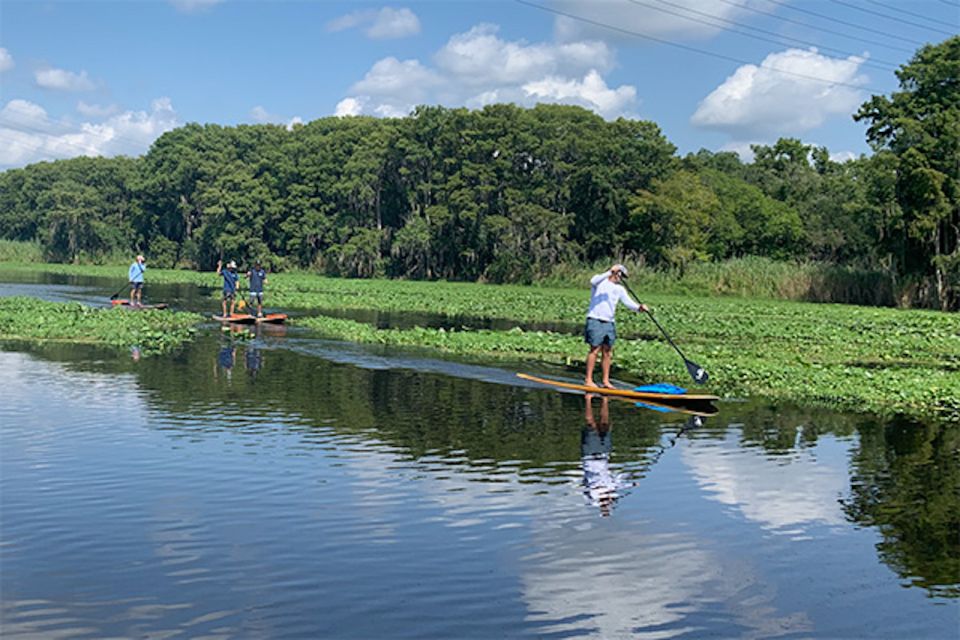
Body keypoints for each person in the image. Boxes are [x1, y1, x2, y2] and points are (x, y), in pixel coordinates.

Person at [584, 264, 649, 388]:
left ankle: (606, 381)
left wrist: (639, 308)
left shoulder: (620, 289)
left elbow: (628, 302)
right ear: (616, 273)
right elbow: (593, 280)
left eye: (623, 276)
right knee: (594, 349)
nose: (622, 278)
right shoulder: (600, 282)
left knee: (608, 351)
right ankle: (588, 380)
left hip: (609, 322)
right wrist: (610, 271)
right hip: (595, 319)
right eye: (621, 275)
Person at [581, 394, 630, 517]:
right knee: (605, 425)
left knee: (591, 425)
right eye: (608, 505)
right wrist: (632, 482)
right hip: (604, 454)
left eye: (605, 506)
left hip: (590, 455)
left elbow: (588, 494)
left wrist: (603, 500)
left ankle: (588, 399)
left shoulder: (593, 496)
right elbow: (619, 481)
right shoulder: (612, 489)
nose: (606, 504)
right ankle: (605, 399)